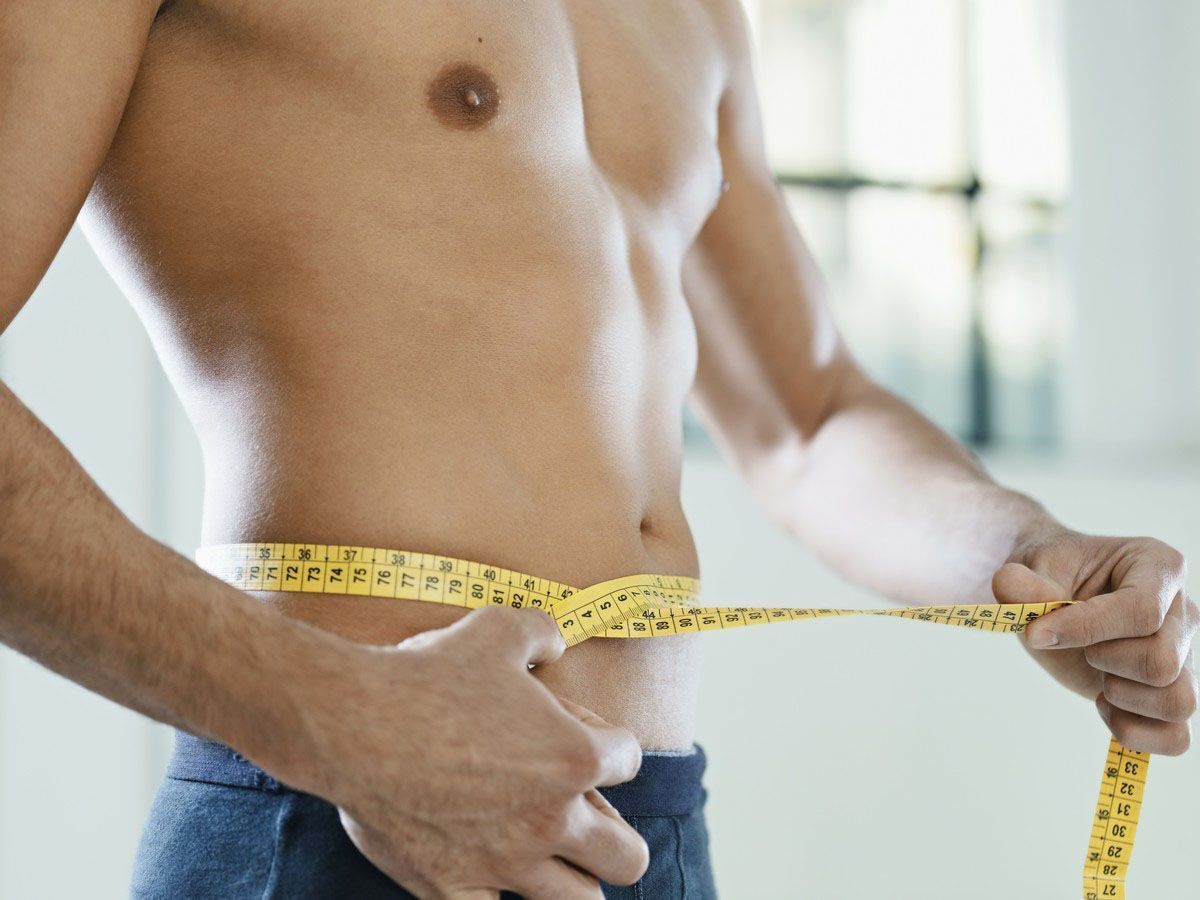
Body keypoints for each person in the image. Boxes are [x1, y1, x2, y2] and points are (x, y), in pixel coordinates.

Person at [1, 1, 1194, 897]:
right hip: (338, 819)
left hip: (653, 832)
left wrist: (1032, 552)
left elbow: (809, 417)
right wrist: (345, 723)